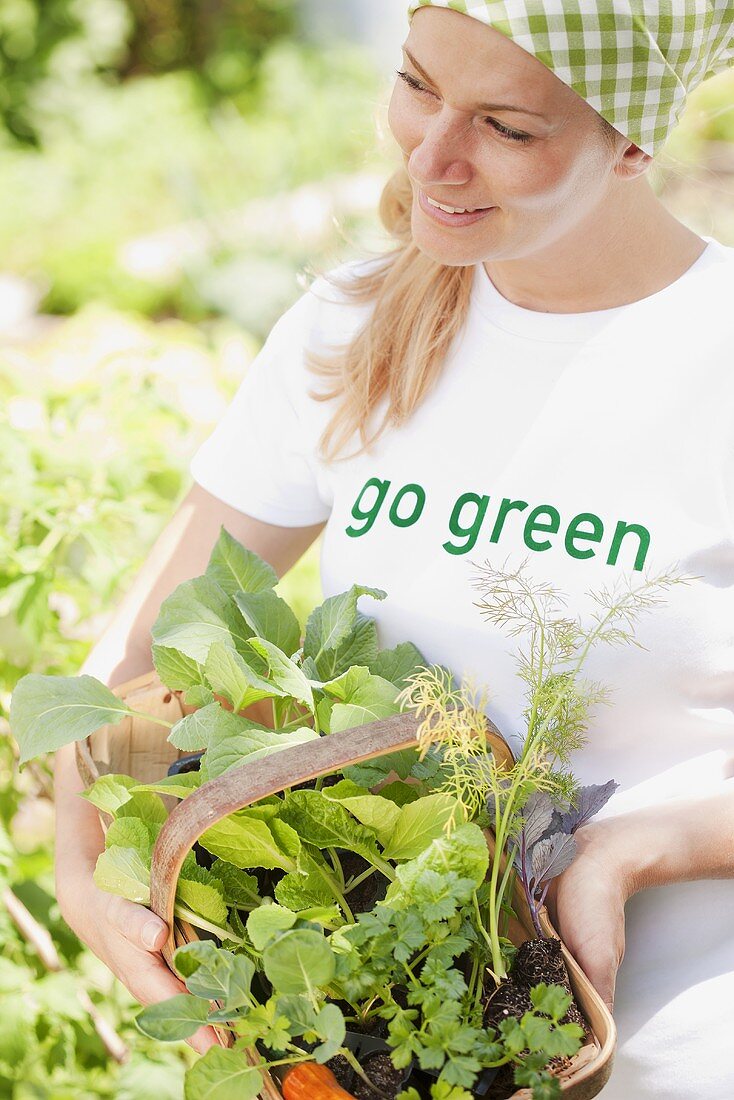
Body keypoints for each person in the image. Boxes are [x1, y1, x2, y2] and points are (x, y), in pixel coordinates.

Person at [54, 1, 734, 1095]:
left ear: (631, 140)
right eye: (417, 85)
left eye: (506, 128)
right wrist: (81, 863)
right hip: (381, 1054)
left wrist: (632, 849)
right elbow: (134, 657)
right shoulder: (349, 324)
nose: (431, 155)